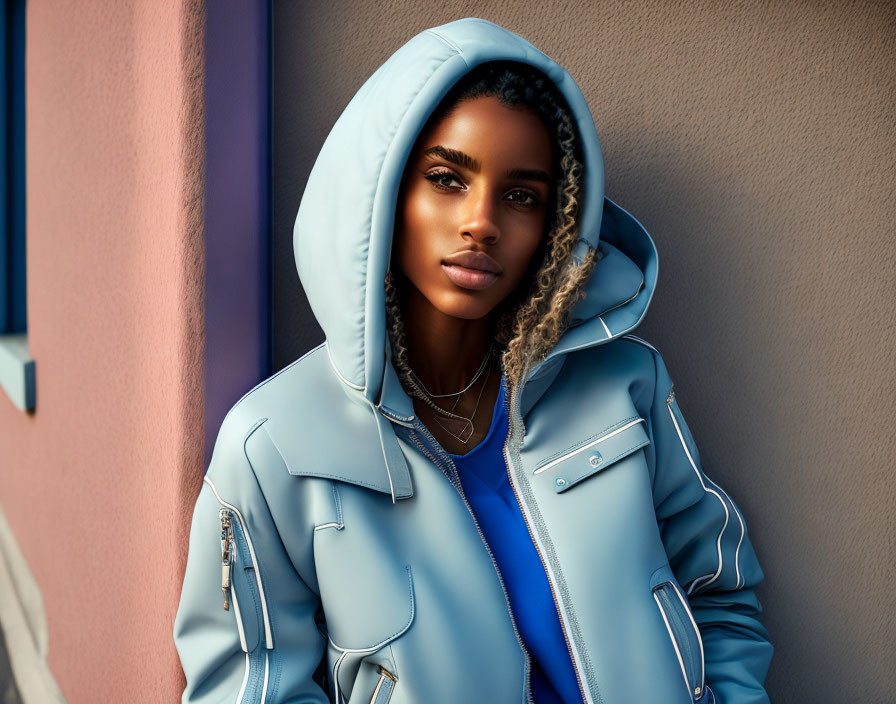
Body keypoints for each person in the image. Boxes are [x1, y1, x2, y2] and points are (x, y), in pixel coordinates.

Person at [173, 17, 774, 704]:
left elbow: (720, 596)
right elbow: (246, 688)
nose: (481, 222)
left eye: (521, 196)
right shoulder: (273, 444)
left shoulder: (625, 386)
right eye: (447, 178)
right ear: (385, 192)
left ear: (555, 225)